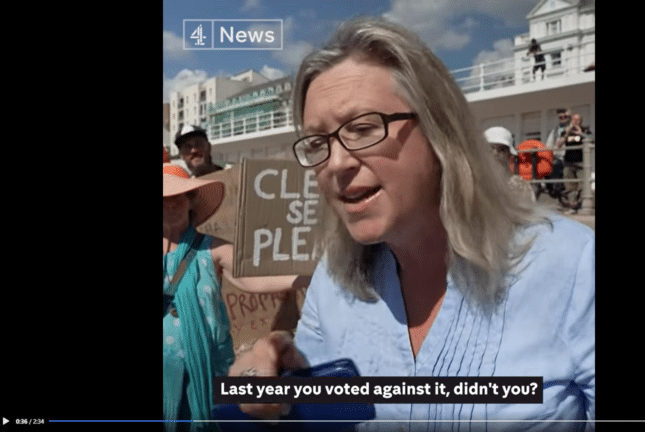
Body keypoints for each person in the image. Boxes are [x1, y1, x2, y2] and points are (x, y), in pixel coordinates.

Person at [230, 17, 594, 431]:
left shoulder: (574, 268)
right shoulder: (334, 282)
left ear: (440, 129)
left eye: (363, 128)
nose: (335, 163)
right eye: (318, 143)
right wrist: (271, 376)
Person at [163, 163, 309, 431]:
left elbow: (255, 275)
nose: (170, 204)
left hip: (209, 377)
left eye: (178, 196)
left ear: (190, 201)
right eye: (164, 198)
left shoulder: (211, 248)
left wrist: (309, 277)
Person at [484, 126, 535, 203]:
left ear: (509, 154)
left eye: (502, 149)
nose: (495, 153)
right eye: (490, 149)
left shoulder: (521, 186)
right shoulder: (475, 185)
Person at [559, 113, 593, 212]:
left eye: (577, 119)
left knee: (582, 186)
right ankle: (572, 206)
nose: (575, 121)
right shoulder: (566, 131)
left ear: (580, 121)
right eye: (573, 119)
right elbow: (559, 145)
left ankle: (581, 206)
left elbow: (591, 140)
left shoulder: (585, 130)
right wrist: (566, 133)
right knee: (570, 186)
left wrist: (580, 133)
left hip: (581, 163)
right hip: (569, 163)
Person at [545, 108, 572, 193]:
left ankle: (557, 186)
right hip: (557, 156)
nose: (563, 118)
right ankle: (551, 187)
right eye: (561, 117)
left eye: (565, 116)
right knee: (546, 166)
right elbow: (548, 144)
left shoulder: (572, 128)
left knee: (556, 165)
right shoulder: (555, 130)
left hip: (567, 156)